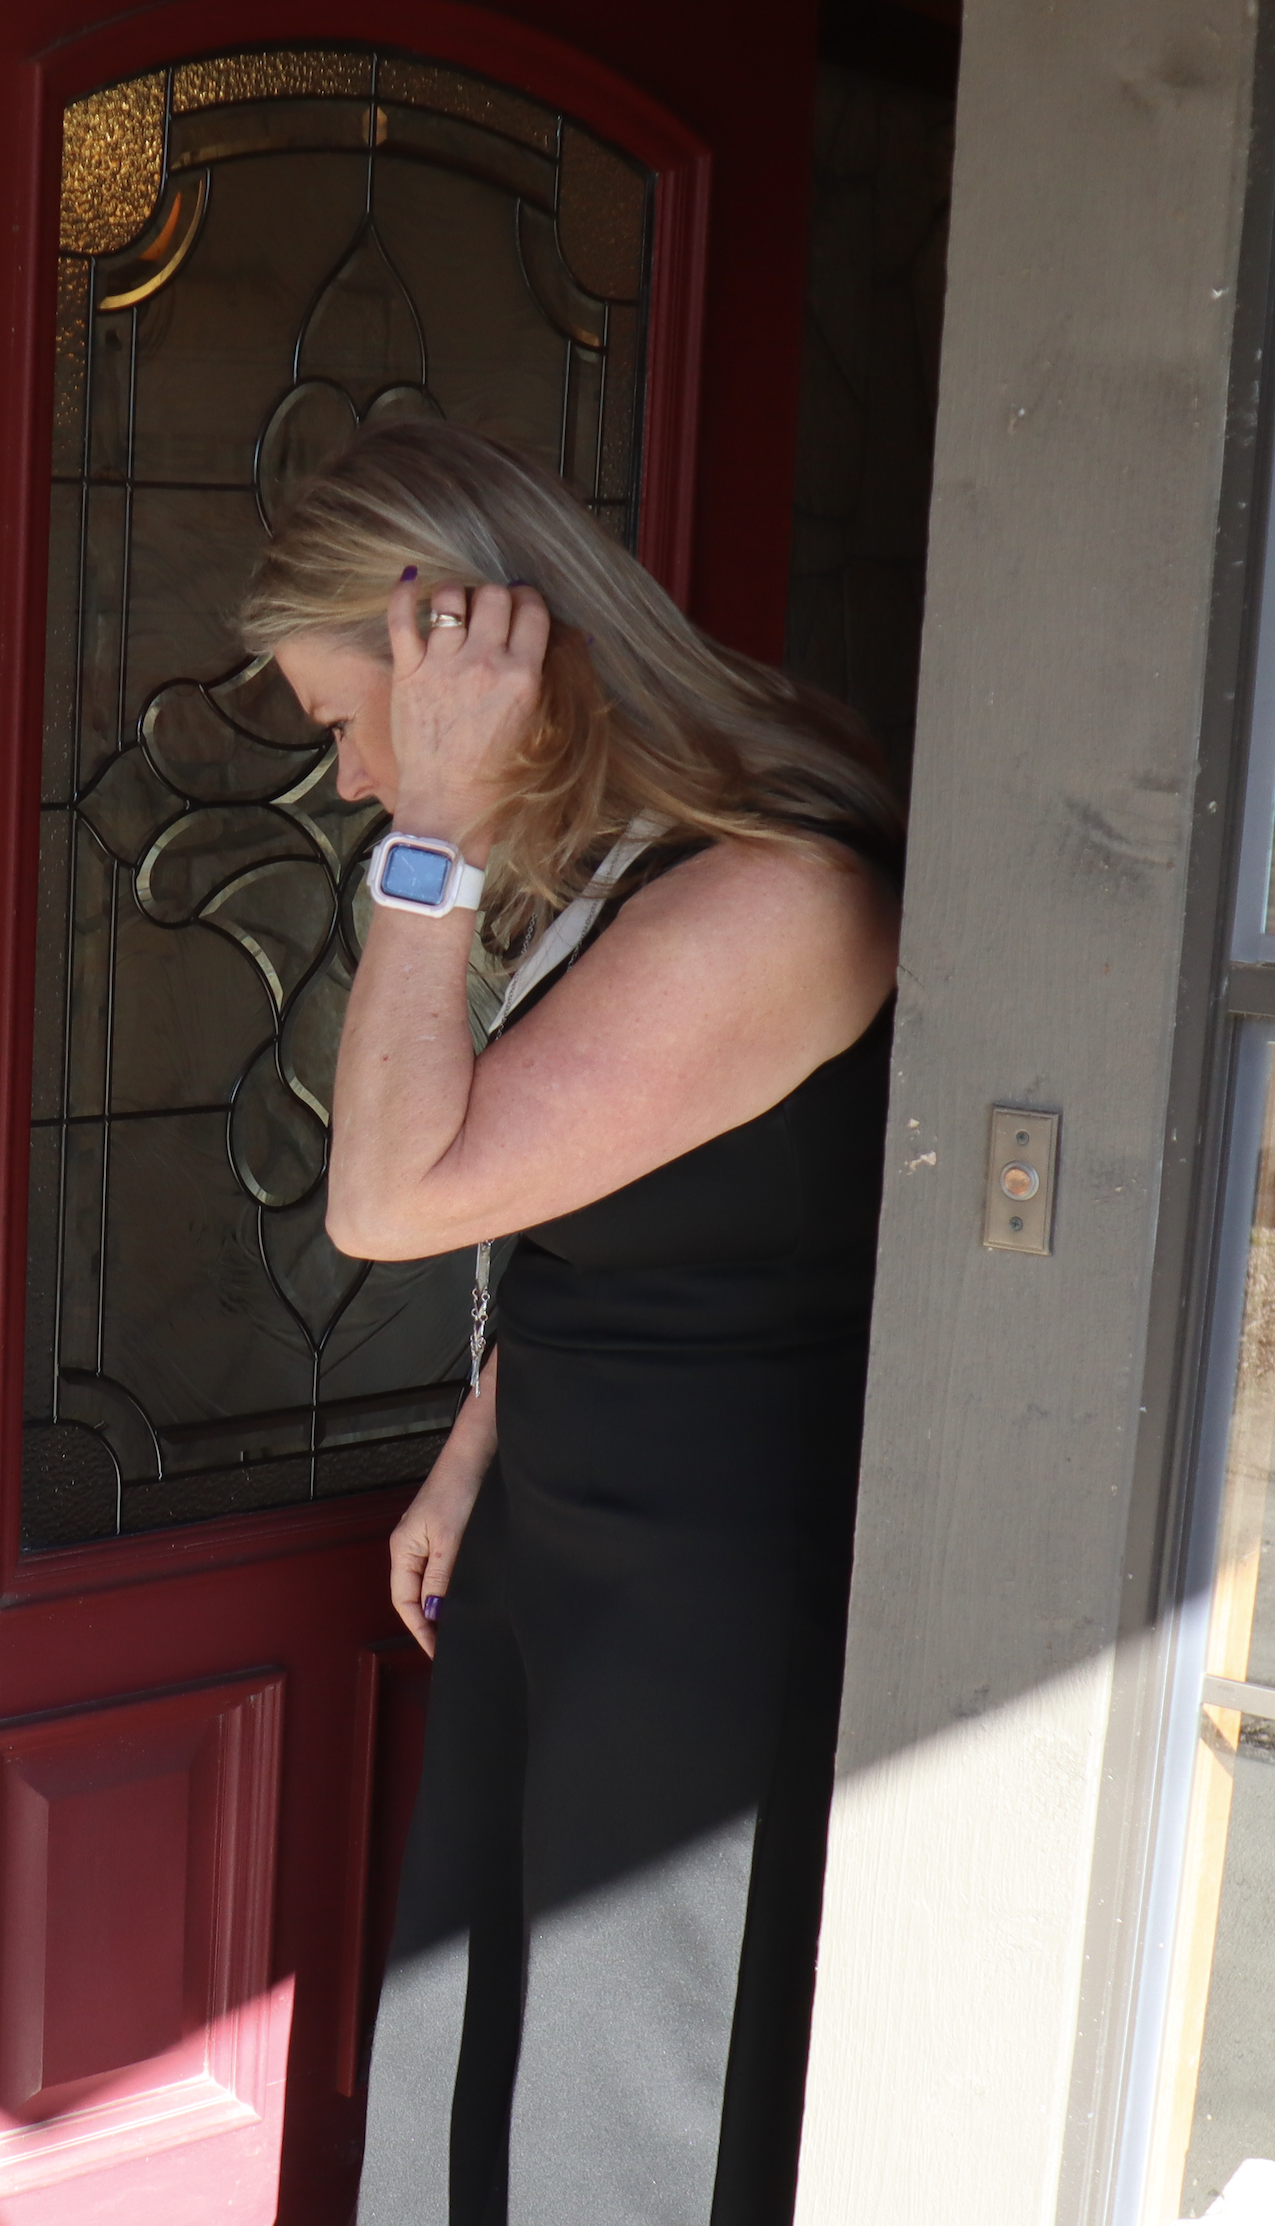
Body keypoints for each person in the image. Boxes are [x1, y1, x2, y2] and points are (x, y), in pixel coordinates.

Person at [240, 420, 902, 2226]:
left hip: (704, 1576)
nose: (354, 769)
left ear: (475, 671)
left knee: (623, 2087)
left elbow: (387, 1202)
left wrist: (437, 837)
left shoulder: (771, 890)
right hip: (566, 1518)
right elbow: (597, 1204)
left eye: (345, 718)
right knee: (481, 2032)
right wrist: (471, 1454)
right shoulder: (634, 862)